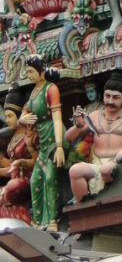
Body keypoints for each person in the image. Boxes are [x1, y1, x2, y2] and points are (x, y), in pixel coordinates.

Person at [66, 75, 122, 203]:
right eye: (107, 96)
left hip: (117, 164)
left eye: (115, 98)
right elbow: (68, 137)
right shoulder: (94, 116)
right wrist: (78, 126)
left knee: (106, 170)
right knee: (75, 170)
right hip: (97, 164)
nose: (110, 101)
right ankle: (83, 208)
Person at [18, 57, 65, 231]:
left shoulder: (51, 89)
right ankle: (37, 221)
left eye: (31, 71)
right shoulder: (34, 91)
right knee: (35, 181)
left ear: (41, 71)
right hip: (42, 141)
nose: (28, 74)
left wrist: (59, 146)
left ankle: (52, 220)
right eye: (28, 71)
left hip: (53, 135)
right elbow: (26, 108)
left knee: (51, 177)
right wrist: (22, 118)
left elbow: (57, 118)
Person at [0, 85, 37, 223]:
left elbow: (37, 161)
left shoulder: (30, 134)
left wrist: (21, 163)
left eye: (10, 116)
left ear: (20, 115)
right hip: (14, 177)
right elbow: (10, 168)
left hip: (28, 179)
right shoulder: (14, 136)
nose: (7, 120)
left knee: (12, 186)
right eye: (6, 116)